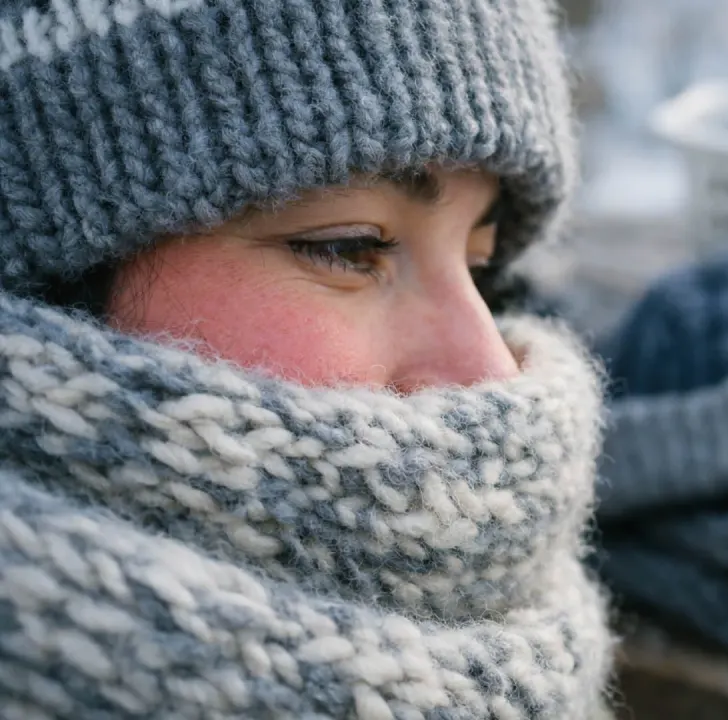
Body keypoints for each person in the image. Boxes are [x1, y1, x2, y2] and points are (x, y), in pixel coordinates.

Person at [0, 0, 614, 718]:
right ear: (52, 286)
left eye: (480, 265)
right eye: (349, 247)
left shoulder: (517, 632)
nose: (491, 369)